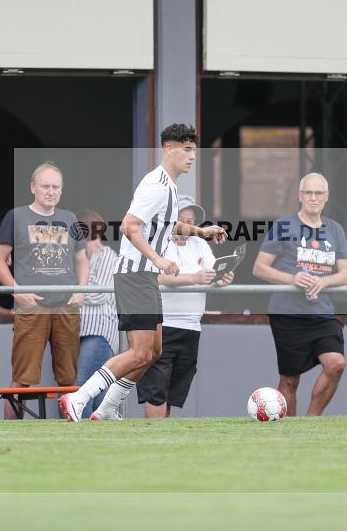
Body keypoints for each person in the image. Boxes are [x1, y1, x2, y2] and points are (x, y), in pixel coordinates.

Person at [60, 123, 227, 422]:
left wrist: (201, 232)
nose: (192, 157)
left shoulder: (171, 187)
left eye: (194, 151)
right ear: (169, 149)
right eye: (187, 150)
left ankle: (108, 407)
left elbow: (164, 225)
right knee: (140, 353)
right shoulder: (156, 185)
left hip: (145, 278)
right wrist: (159, 260)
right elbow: (129, 225)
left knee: (153, 351)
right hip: (135, 276)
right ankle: (79, 397)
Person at [0, 161, 89, 420]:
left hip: (66, 306)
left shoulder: (69, 219)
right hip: (31, 306)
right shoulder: (17, 216)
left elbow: (82, 260)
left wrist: (80, 291)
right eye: (45, 186)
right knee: (22, 379)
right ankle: (11, 437)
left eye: (56, 187)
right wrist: (16, 292)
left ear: (62, 190)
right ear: (33, 187)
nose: (51, 191)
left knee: (68, 380)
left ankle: (71, 436)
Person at [252, 172, 347, 416]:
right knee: (289, 381)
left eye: (319, 193)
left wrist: (324, 281)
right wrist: (292, 279)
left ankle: (312, 420)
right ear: (300, 195)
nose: (313, 198)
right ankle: (291, 431)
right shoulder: (284, 225)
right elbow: (259, 268)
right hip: (288, 313)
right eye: (308, 192)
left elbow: (345, 275)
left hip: (322, 313)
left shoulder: (335, 229)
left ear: (327, 197)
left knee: (336, 363)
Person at [139, 196, 234, 418]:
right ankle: (153, 439)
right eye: (181, 219)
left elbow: (210, 274)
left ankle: (163, 441)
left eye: (190, 220)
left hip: (192, 326)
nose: (186, 225)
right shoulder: (156, 242)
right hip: (161, 323)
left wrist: (221, 278)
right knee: (156, 389)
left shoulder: (200, 244)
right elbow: (156, 277)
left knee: (173, 390)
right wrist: (195, 277)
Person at [75, 209, 120, 419]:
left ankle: (79, 434)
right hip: (82, 331)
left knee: (84, 384)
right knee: (99, 390)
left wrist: (77, 286)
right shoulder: (81, 259)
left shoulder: (107, 255)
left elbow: (97, 295)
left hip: (99, 331)